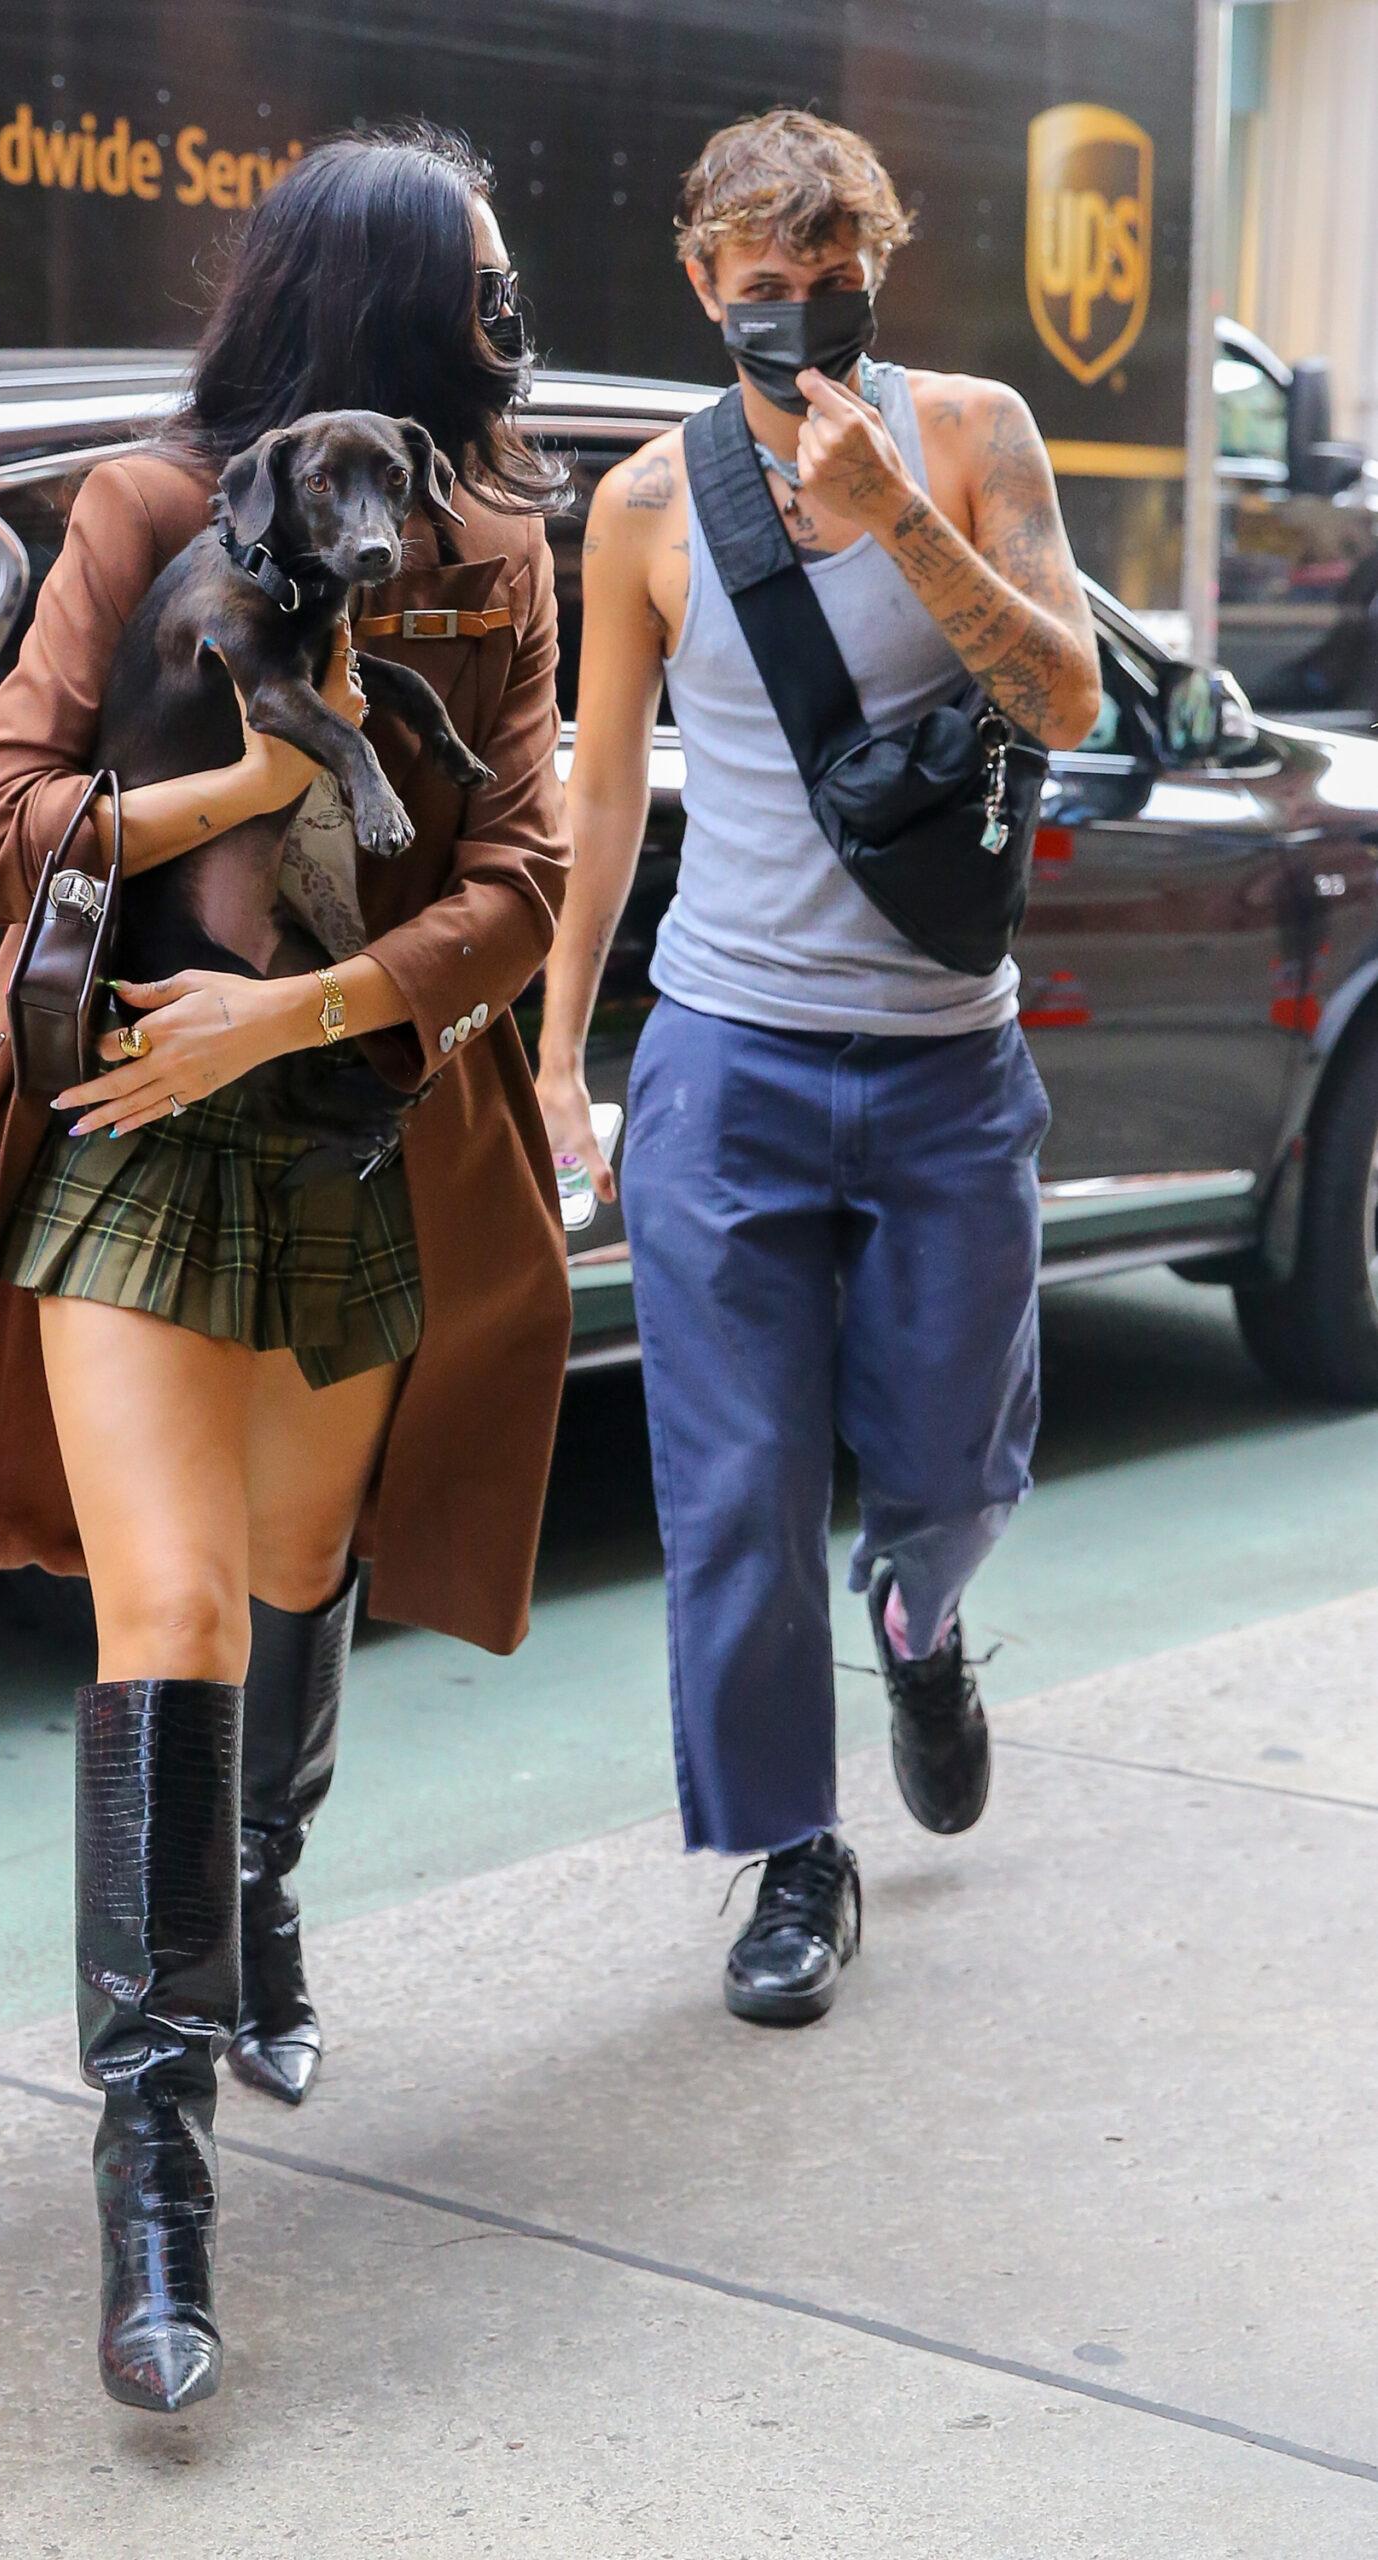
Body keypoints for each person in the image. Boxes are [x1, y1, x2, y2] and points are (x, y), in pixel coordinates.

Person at [0, 125, 572, 2411]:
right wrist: (225, 794)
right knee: (171, 1610)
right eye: (486, 283)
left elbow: (519, 879)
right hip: (127, 1129)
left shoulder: (502, 553)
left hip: (350, 1133)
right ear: (388, 299)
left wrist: (297, 1003)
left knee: (299, 1567)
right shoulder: (141, 514)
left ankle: (265, 1895)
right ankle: (158, 2195)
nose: (513, 317)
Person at [538, 108, 1100, 2032]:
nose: (797, 317)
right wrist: (554, 1053)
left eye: (829, 283)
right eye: (759, 289)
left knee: (948, 1467)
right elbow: (600, 795)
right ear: (703, 286)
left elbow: (1066, 697)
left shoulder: (973, 434)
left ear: (883, 265)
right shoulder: (632, 512)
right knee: (735, 1489)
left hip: (945, 1061)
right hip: (724, 1060)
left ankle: (923, 1624)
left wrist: (902, 524)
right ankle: (789, 1858)